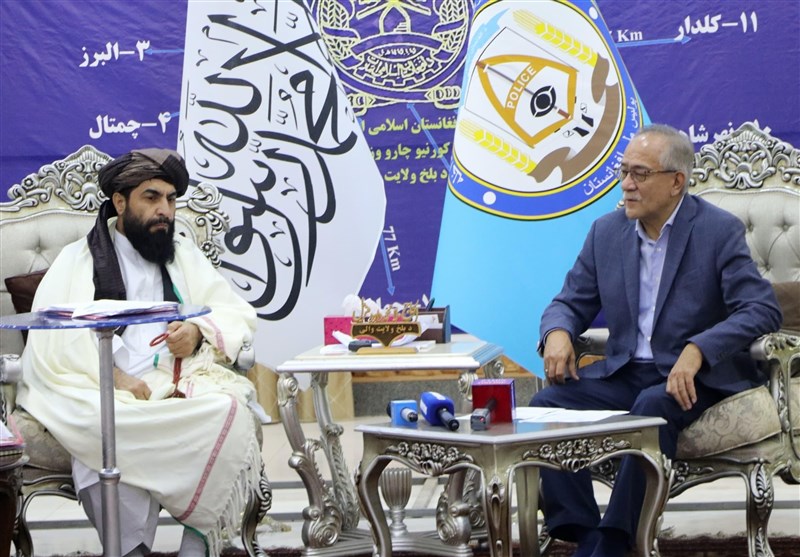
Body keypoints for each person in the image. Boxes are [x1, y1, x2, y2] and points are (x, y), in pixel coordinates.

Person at [530, 124, 782, 557]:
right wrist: (557, 332)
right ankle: (584, 533)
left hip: (694, 379)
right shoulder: (605, 232)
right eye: (624, 171)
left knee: (651, 406)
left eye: (640, 174)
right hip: (626, 370)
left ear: (676, 182)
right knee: (546, 405)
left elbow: (761, 309)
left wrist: (699, 348)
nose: (627, 184)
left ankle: (614, 541)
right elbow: (568, 302)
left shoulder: (717, 230)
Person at [17, 149, 264, 557]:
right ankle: (131, 551)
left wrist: (196, 333)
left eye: (170, 199)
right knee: (102, 429)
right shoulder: (75, 262)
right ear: (120, 202)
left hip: (172, 382)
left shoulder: (182, 254)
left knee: (231, 410)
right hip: (99, 388)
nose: (164, 209)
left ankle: (196, 547)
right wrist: (115, 379)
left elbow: (233, 311)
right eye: (151, 197)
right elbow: (53, 342)